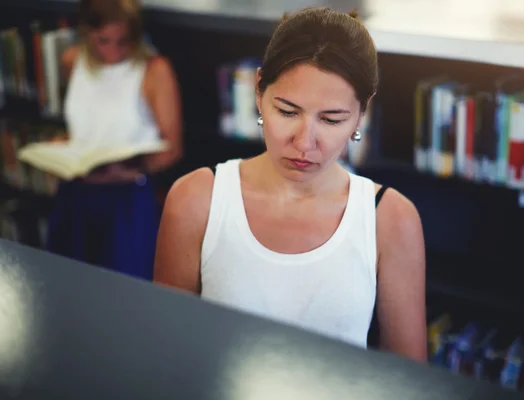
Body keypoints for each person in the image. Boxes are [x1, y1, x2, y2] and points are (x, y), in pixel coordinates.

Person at [154, 7, 426, 361]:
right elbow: (165, 350)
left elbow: (408, 379)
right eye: (287, 111)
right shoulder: (196, 199)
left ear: (362, 112)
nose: (304, 142)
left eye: (331, 119)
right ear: (258, 92)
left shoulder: (391, 219)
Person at [46, 0, 183, 281]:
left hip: (128, 197)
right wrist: (60, 149)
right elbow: (85, 127)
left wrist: (132, 170)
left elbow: (173, 148)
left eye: (123, 42)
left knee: (128, 288)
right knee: (70, 284)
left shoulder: (155, 70)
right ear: (86, 34)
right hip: (76, 194)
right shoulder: (73, 61)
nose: (112, 52)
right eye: (103, 41)